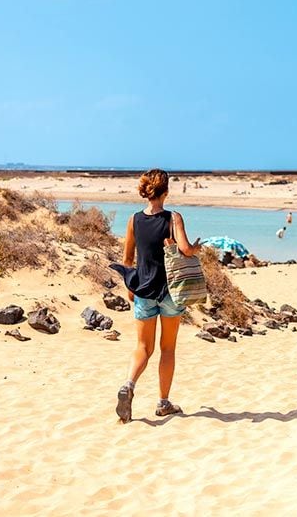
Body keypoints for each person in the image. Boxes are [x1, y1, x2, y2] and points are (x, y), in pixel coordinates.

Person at [110, 169, 201, 423]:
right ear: (166, 191)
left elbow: (128, 259)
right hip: (170, 291)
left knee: (142, 347)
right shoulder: (174, 218)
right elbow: (184, 250)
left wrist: (131, 289)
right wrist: (195, 248)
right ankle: (163, 403)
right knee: (167, 348)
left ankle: (128, 385)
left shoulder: (134, 220)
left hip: (144, 291)